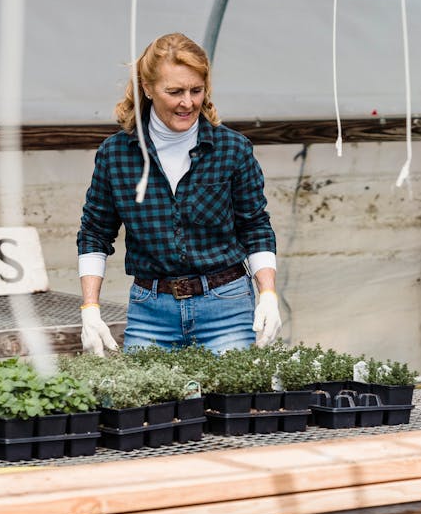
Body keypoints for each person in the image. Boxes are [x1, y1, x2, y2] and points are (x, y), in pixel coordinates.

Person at [76, 32, 281, 357]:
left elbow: (255, 227)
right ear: (148, 88)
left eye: (196, 90)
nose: (188, 102)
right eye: (175, 92)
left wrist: (267, 294)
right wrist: (90, 308)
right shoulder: (116, 154)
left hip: (225, 305)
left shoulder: (231, 149)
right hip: (151, 311)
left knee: (233, 401)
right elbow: (94, 234)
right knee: (140, 406)